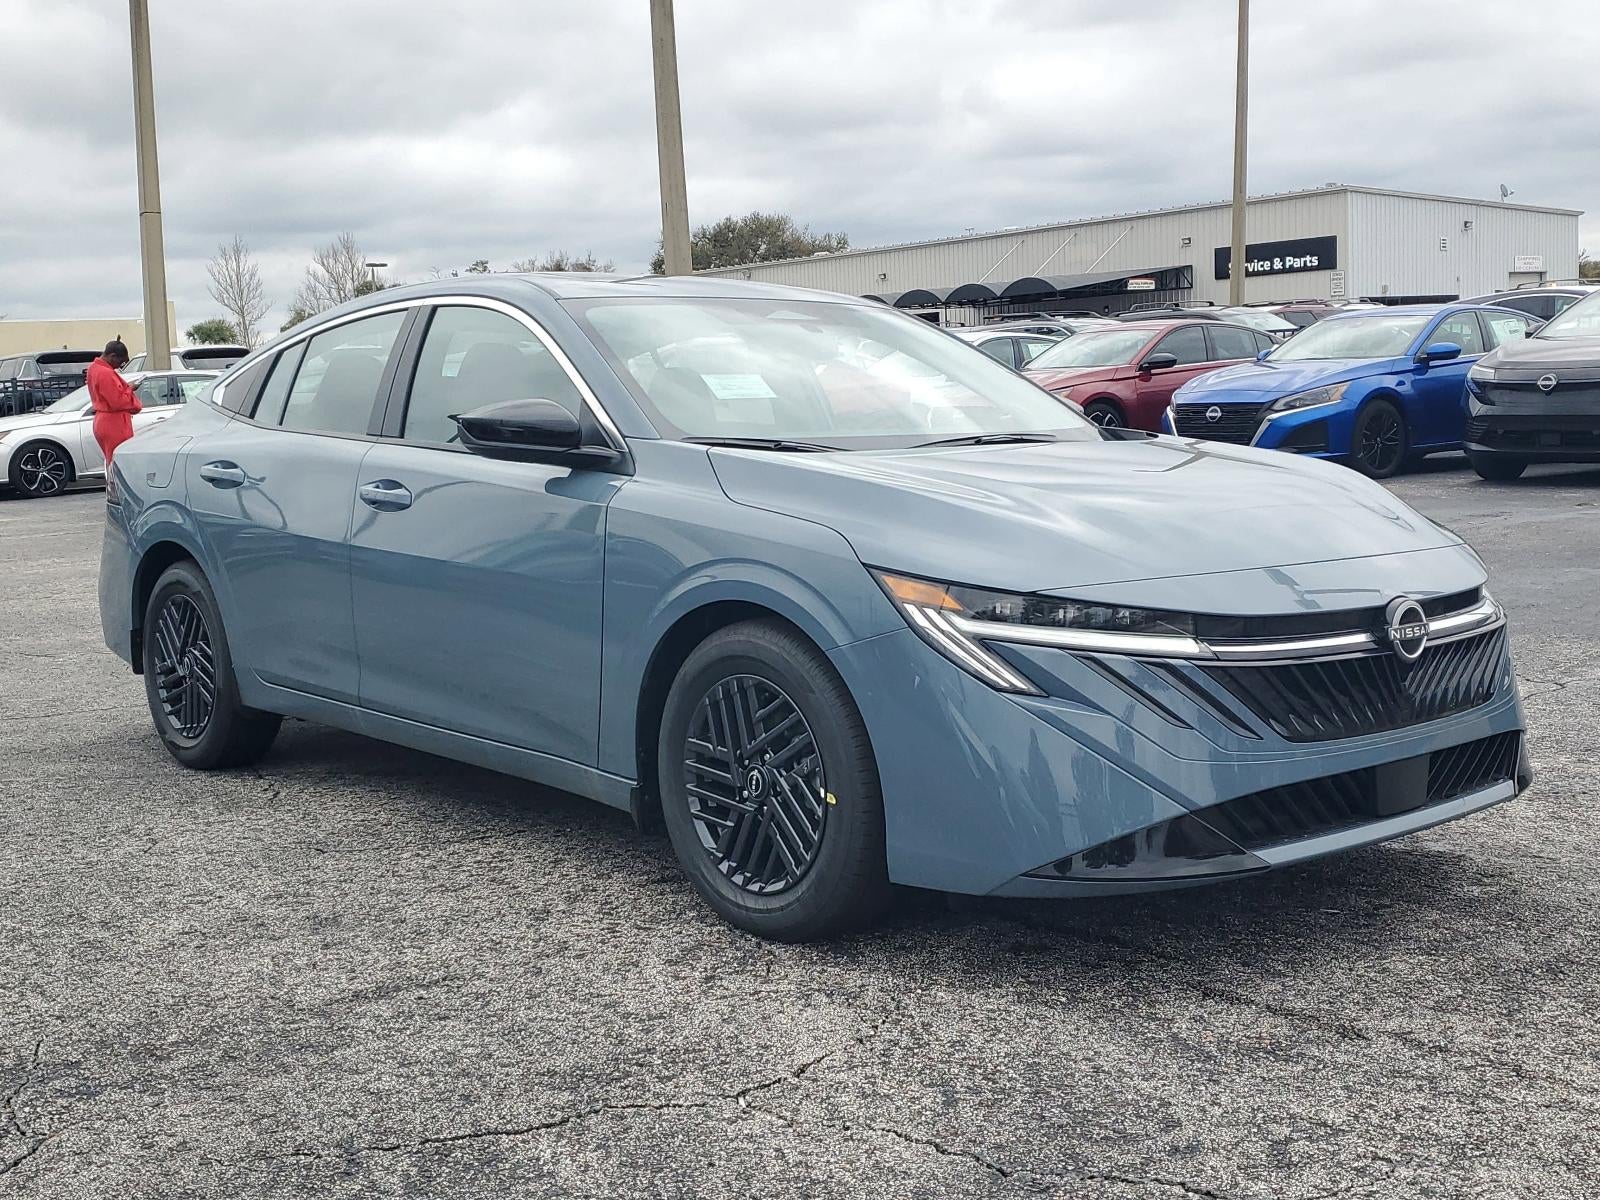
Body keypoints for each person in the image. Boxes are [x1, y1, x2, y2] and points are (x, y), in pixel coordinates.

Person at [86, 340, 141, 465]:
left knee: (112, 459)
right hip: (114, 422)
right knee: (120, 461)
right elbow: (117, 402)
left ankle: (113, 482)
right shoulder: (105, 373)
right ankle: (115, 484)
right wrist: (130, 389)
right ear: (112, 356)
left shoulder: (93, 368)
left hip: (104, 419)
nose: (119, 366)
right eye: (120, 362)